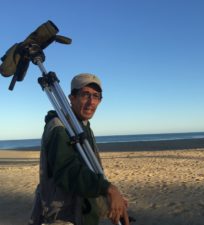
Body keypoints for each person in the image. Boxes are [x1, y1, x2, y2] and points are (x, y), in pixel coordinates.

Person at [28, 73, 129, 225]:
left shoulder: (83, 125)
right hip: (64, 217)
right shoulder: (59, 127)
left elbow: (89, 169)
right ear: (72, 97)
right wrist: (108, 188)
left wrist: (107, 200)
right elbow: (67, 169)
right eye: (85, 95)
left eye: (96, 96)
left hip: (82, 212)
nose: (91, 102)